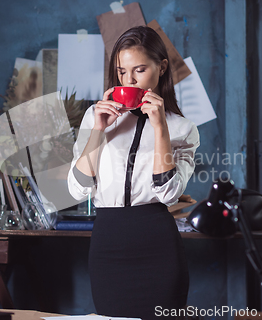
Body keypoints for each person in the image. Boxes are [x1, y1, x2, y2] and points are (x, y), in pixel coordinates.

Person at [67, 26, 199, 319]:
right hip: (107, 245)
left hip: (157, 245)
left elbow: (168, 192)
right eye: (121, 72)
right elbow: (77, 189)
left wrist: (160, 127)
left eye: (139, 70)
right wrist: (98, 130)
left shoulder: (182, 129)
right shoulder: (95, 117)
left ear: (161, 67)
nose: (129, 80)